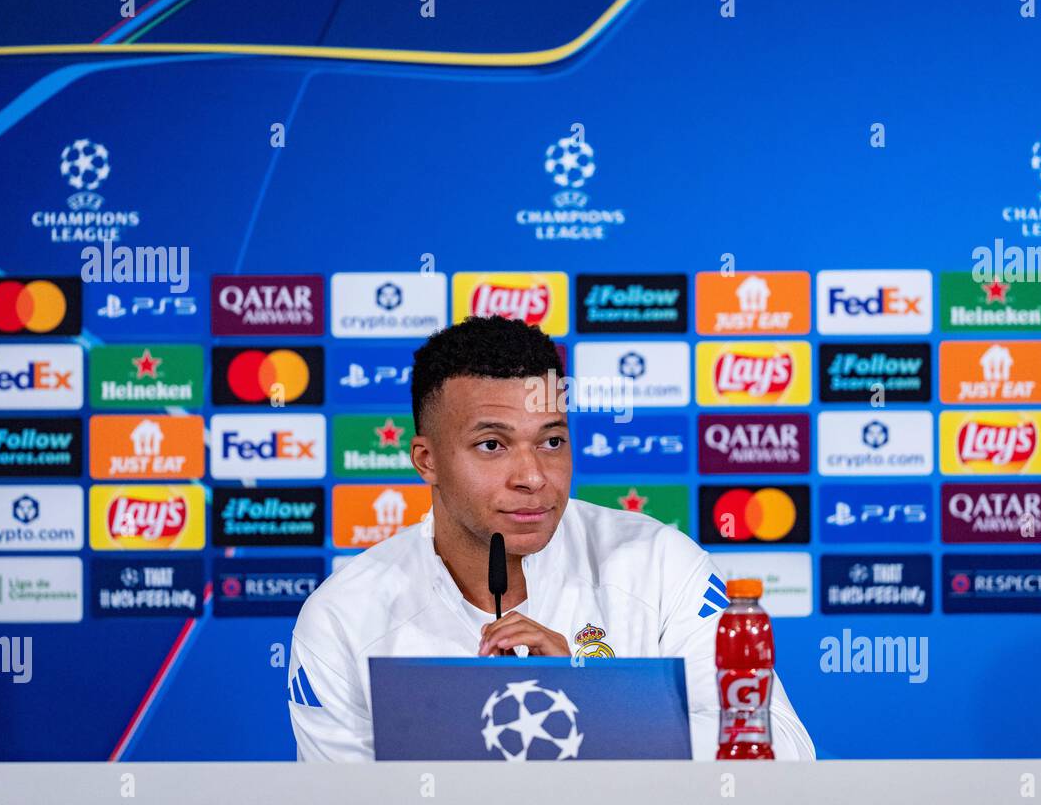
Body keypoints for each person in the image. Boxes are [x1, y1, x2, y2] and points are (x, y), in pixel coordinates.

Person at [288, 315, 816, 761]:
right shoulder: (344, 616)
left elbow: (780, 751)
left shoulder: (659, 562)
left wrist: (592, 703)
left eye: (553, 440)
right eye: (492, 445)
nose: (534, 476)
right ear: (427, 460)